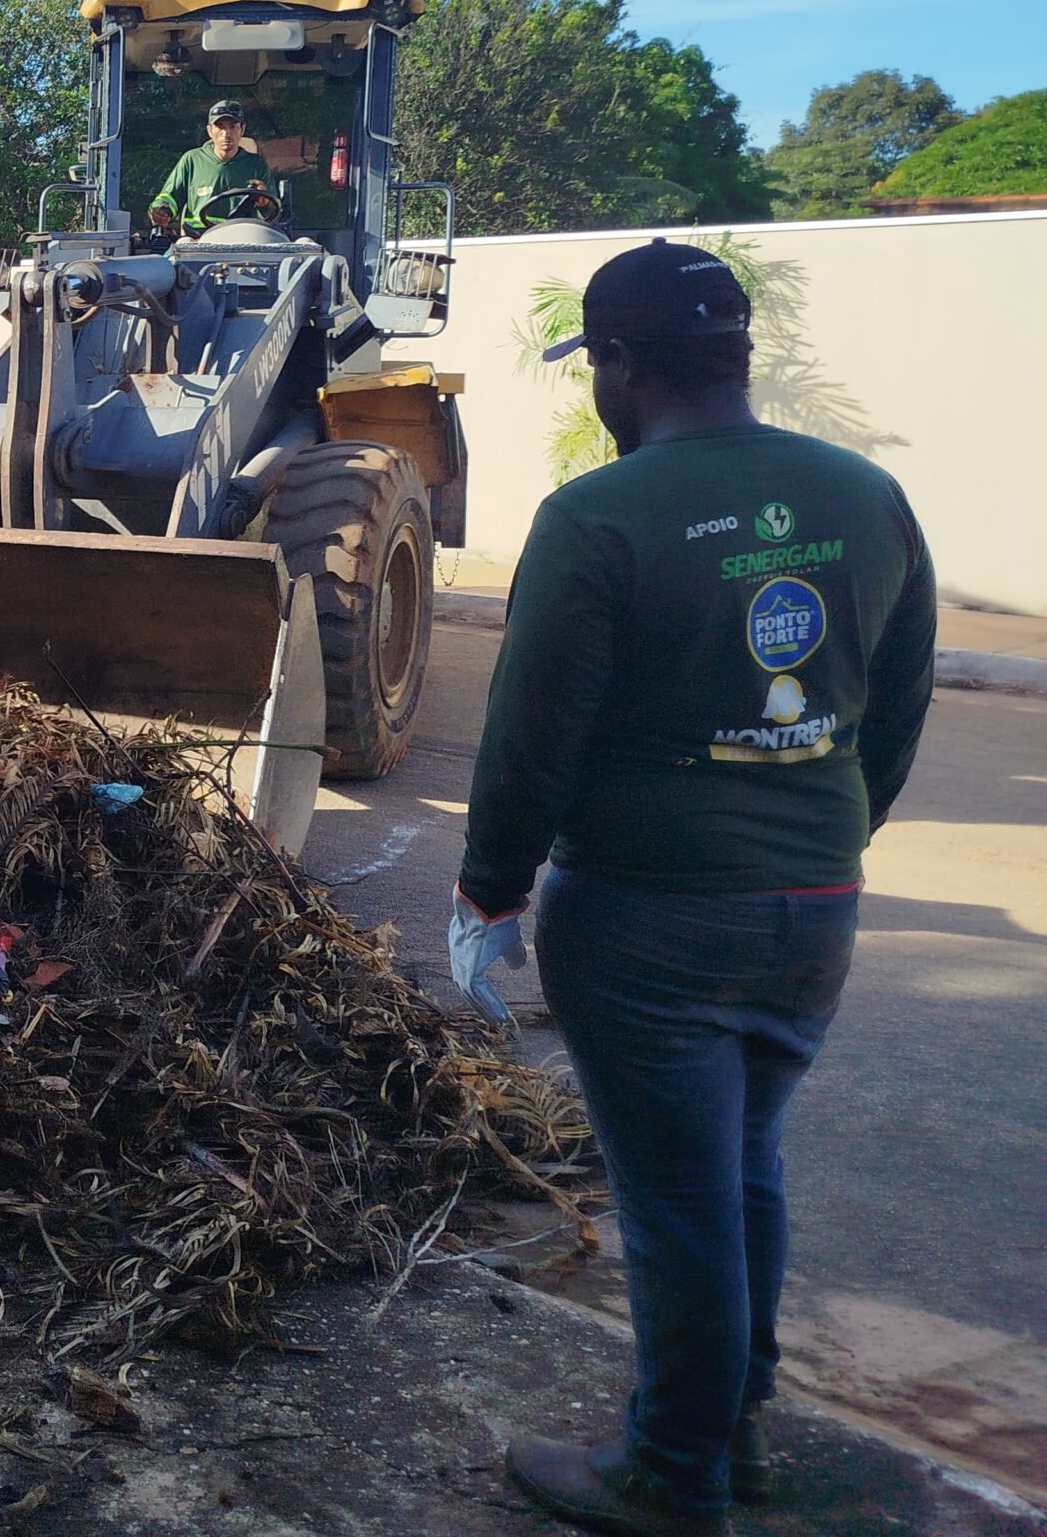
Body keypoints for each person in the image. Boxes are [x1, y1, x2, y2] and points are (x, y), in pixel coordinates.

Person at [449, 238, 936, 1536]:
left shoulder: (597, 516)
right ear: (735, 355)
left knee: (675, 1200)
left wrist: (490, 886)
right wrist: (824, 838)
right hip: (815, 905)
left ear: (619, 363)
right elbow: (893, 709)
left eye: (595, 364)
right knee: (742, 1164)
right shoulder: (867, 496)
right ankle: (737, 1429)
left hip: (646, 916)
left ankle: (669, 1473)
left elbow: (531, 737)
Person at [147, 97, 275, 236]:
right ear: (209, 130)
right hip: (198, 240)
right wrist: (161, 210)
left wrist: (264, 204)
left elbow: (273, 213)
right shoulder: (192, 160)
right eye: (220, 127)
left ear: (242, 129)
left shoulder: (257, 165)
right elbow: (169, 197)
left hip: (243, 239)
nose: (226, 134)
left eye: (232, 127)